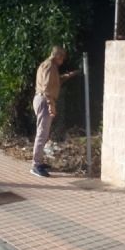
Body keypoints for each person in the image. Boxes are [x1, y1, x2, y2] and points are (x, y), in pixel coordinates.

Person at [31, 46, 79, 177]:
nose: (62, 61)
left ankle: (38, 161)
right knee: (42, 133)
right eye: (62, 58)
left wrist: (68, 76)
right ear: (59, 56)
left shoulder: (48, 66)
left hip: (42, 100)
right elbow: (47, 87)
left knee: (43, 133)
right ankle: (36, 165)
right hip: (44, 100)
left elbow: (54, 82)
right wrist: (51, 105)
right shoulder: (50, 66)